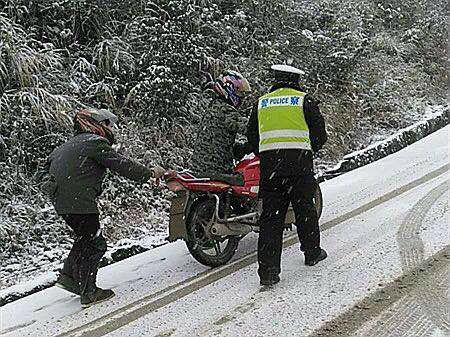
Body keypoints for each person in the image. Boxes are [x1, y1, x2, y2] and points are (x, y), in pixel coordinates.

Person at [43, 108, 167, 307]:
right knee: (95, 243)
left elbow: (46, 169)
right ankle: (89, 292)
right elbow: (122, 164)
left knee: (85, 239)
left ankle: (69, 277)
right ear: (95, 124)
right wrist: (150, 173)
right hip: (79, 201)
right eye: (107, 124)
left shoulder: (67, 146)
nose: (109, 128)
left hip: (63, 201)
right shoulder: (93, 143)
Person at [246, 64, 328, 286]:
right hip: (299, 166)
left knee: (271, 220)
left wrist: (266, 153)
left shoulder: (261, 103)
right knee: (304, 210)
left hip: (271, 168)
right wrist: (307, 150)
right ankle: (312, 253)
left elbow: (251, 136)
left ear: (276, 80)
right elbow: (320, 134)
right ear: (295, 80)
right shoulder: (304, 101)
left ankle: (268, 272)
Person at [189, 58, 251, 182]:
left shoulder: (214, 106)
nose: (241, 99)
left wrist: (240, 149)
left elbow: (217, 142)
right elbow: (249, 127)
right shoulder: (225, 110)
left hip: (202, 168)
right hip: (215, 171)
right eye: (239, 94)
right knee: (248, 182)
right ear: (228, 89)